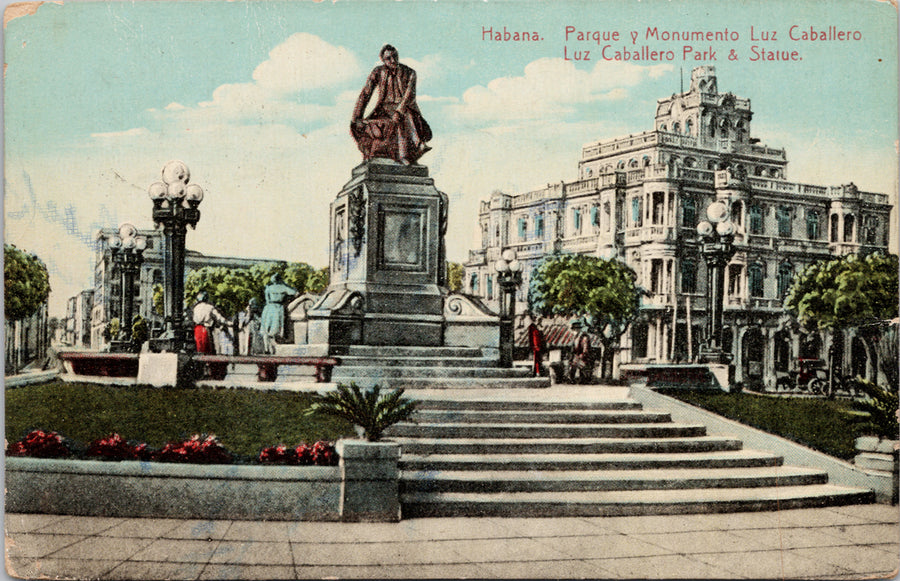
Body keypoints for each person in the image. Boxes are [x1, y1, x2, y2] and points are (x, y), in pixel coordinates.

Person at [350, 44, 432, 165]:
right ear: (383, 60)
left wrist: (399, 111)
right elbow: (366, 94)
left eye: (395, 56)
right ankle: (413, 148)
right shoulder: (378, 71)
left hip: (404, 107)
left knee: (403, 117)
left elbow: (409, 96)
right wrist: (357, 116)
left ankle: (410, 151)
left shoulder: (410, 73)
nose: (393, 60)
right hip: (383, 109)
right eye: (388, 58)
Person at [260, 274, 298, 354]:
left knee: (266, 328)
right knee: (276, 328)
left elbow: (267, 299)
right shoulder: (283, 287)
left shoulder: (268, 288)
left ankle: (267, 348)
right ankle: (271, 348)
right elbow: (295, 293)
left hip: (268, 308)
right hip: (278, 308)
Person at [569, 318, 594, 384]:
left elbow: (585, 349)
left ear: (579, 329)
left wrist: (581, 355)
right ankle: (572, 380)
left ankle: (583, 380)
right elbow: (574, 349)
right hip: (577, 356)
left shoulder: (584, 337)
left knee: (581, 367)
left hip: (584, 356)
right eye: (574, 329)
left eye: (576, 329)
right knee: (572, 366)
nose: (574, 331)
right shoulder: (575, 337)